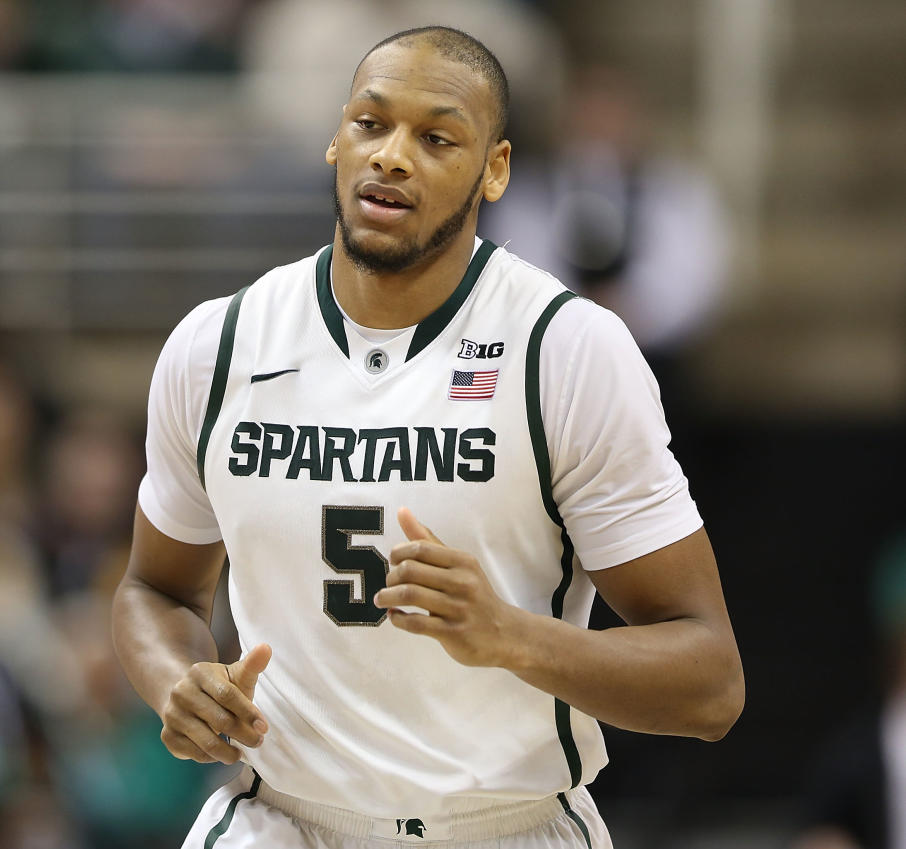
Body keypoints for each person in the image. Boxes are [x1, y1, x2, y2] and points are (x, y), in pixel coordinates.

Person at [112, 25, 744, 849]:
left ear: (497, 170)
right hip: (281, 818)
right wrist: (175, 683)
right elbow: (153, 591)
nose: (392, 157)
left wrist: (512, 635)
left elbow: (710, 684)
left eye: (437, 137)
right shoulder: (218, 345)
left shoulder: (565, 349)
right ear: (336, 140)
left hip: (505, 826)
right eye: (372, 125)